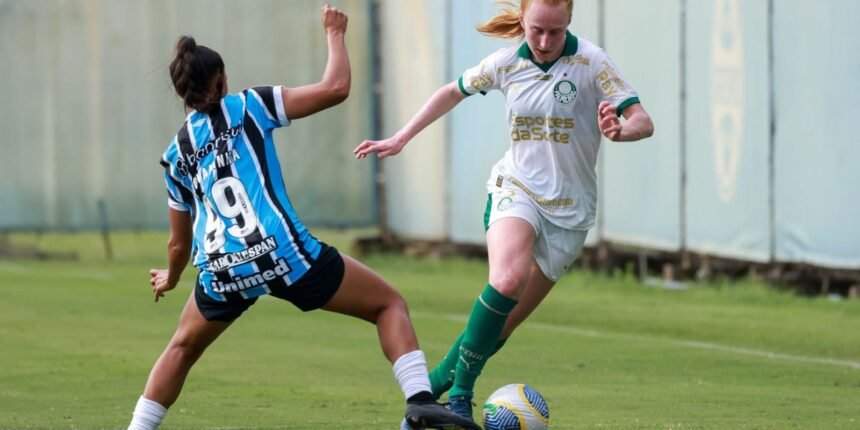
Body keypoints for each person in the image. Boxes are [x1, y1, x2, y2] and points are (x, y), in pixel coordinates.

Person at [126, 5, 480, 430]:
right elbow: (336, 88)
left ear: (182, 92)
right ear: (220, 80)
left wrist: (171, 276)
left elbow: (179, 243)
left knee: (181, 348)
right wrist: (334, 33)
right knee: (389, 304)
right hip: (282, 252)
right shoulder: (247, 106)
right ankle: (420, 402)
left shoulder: (176, 154)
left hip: (222, 268)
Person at [354, 0, 654, 422]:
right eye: (536, 30)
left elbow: (642, 119)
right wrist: (401, 137)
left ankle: (424, 402)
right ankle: (460, 397)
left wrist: (621, 131)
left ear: (569, 20)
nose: (545, 41)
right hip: (517, 189)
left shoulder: (592, 62)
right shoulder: (506, 62)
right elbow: (451, 92)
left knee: (501, 327)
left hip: (571, 213)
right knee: (507, 278)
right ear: (523, 21)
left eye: (554, 31)